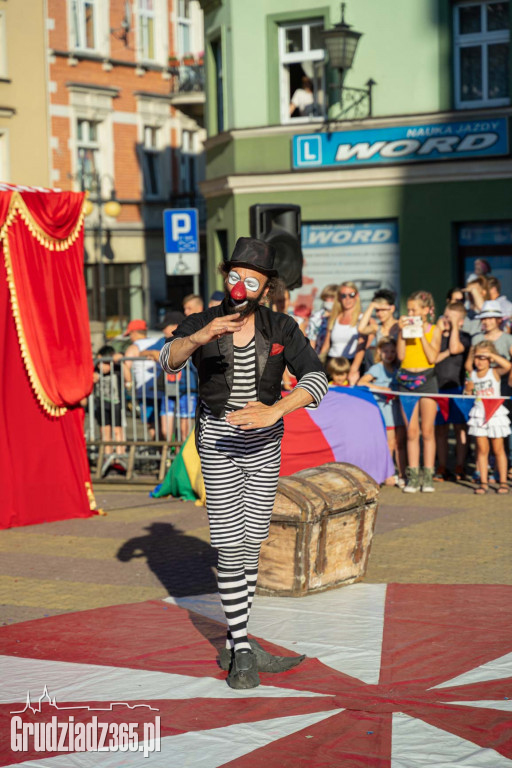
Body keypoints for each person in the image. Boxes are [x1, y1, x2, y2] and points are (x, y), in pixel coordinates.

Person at [159, 237, 328, 690]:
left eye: (250, 279)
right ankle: (242, 646)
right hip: (216, 443)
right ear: (226, 278)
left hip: (265, 446)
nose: (240, 285)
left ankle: (239, 644)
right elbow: (167, 360)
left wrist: (276, 410)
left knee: (251, 545)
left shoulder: (281, 326)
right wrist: (197, 337)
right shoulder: (204, 321)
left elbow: (317, 377)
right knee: (230, 546)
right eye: (234, 276)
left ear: (265, 286)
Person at [397, 290, 442, 493]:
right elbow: (400, 355)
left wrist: (421, 333)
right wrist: (401, 333)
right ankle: (413, 477)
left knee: (428, 431)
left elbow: (432, 357)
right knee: (412, 431)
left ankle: (428, 476)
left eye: (415, 309)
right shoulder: (404, 330)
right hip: (406, 380)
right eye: (409, 309)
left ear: (425, 310)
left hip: (427, 380)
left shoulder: (434, 329)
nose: (411, 313)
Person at [140, 311, 198, 442]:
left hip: (188, 389)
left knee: (186, 430)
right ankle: (170, 456)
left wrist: (163, 355)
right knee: (166, 430)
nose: (163, 330)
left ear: (174, 326)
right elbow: (141, 352)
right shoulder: (163, 341)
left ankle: (183, 459)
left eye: (164, 327)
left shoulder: (189, 339)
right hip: (168, 389)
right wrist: (153, 352)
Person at [358, 336, 406, 487]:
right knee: (389, 444)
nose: (389, 354)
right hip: (385, 412)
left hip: (398, 410)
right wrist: (382, 389)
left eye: (392, 351)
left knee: (401, 443)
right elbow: (361, 382)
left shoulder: (398, 369)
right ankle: (388, 474)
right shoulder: (377, 368)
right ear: (379, 351)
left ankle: (403, 474)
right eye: (386, 351)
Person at [465, 341, 511, 494]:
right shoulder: (472, 375)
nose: (479, 361)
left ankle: (503, 481)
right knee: (482, 450)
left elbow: (507, 366)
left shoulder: (494, 372)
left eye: (483, 357)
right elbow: (468, 394)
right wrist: (468, 389)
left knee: (498, 449)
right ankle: (483, 482)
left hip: (495, 414)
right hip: (479, 414)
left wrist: (491, 355)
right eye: (477, 357)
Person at [434, 302, 471, 482]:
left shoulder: (465, 337)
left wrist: (455, 326)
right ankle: (442, 466)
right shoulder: (437, 337)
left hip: (457, 388)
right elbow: (432, 358)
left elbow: (456, 348)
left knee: (459, 429)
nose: (446, 320)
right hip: (438, 389)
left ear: (461, 321)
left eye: (451, 318)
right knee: (440, 430)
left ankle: (459, 465)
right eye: (445, 316)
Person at [93, 345, 131, 472]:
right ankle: (108, 457)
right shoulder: (96, 370)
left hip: (116, 404)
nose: (100, 366)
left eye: (103, 363)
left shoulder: (116, 368)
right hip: (101, 405)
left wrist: (122, 361)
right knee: (105, 432)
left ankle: (119, 457)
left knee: (117, 431)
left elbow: (128, 379)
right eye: (99, 363)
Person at [320, 281, 365, 384]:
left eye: (351, 295)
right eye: (343, 295)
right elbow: (326, 344)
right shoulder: (334, 317)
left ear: (357, 296)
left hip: (350, 364)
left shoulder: (361, 318)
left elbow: (361, 347)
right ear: (339, 297)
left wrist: (353, 369)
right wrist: (318, 363)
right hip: (332, 364)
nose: (347, 299)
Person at [123, 319, 158, 438]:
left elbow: (125, 366)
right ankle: (171, 451)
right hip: (163, 389)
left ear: (134, 332)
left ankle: (160, 451)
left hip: (145, 391)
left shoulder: (134, 347)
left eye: (130, 335)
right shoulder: (157, 341)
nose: (130, 338)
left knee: (150, 423)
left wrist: (128, 383)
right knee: (164, 422)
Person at [358, 288, 399, 370]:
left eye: (383, 310)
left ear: (392, 309)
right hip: (382, 371)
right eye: (377, 310)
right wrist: (371, 306)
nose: (380, 314)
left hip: (399, 370)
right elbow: (361, 329)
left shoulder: (400, 326)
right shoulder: (377, 328)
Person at [305, 283, 338, 354]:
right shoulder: (316, 317)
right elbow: (311, 340)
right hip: (320, 355)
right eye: (328, 297)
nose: (330, 300)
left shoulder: (342, 316)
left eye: (334, 298)